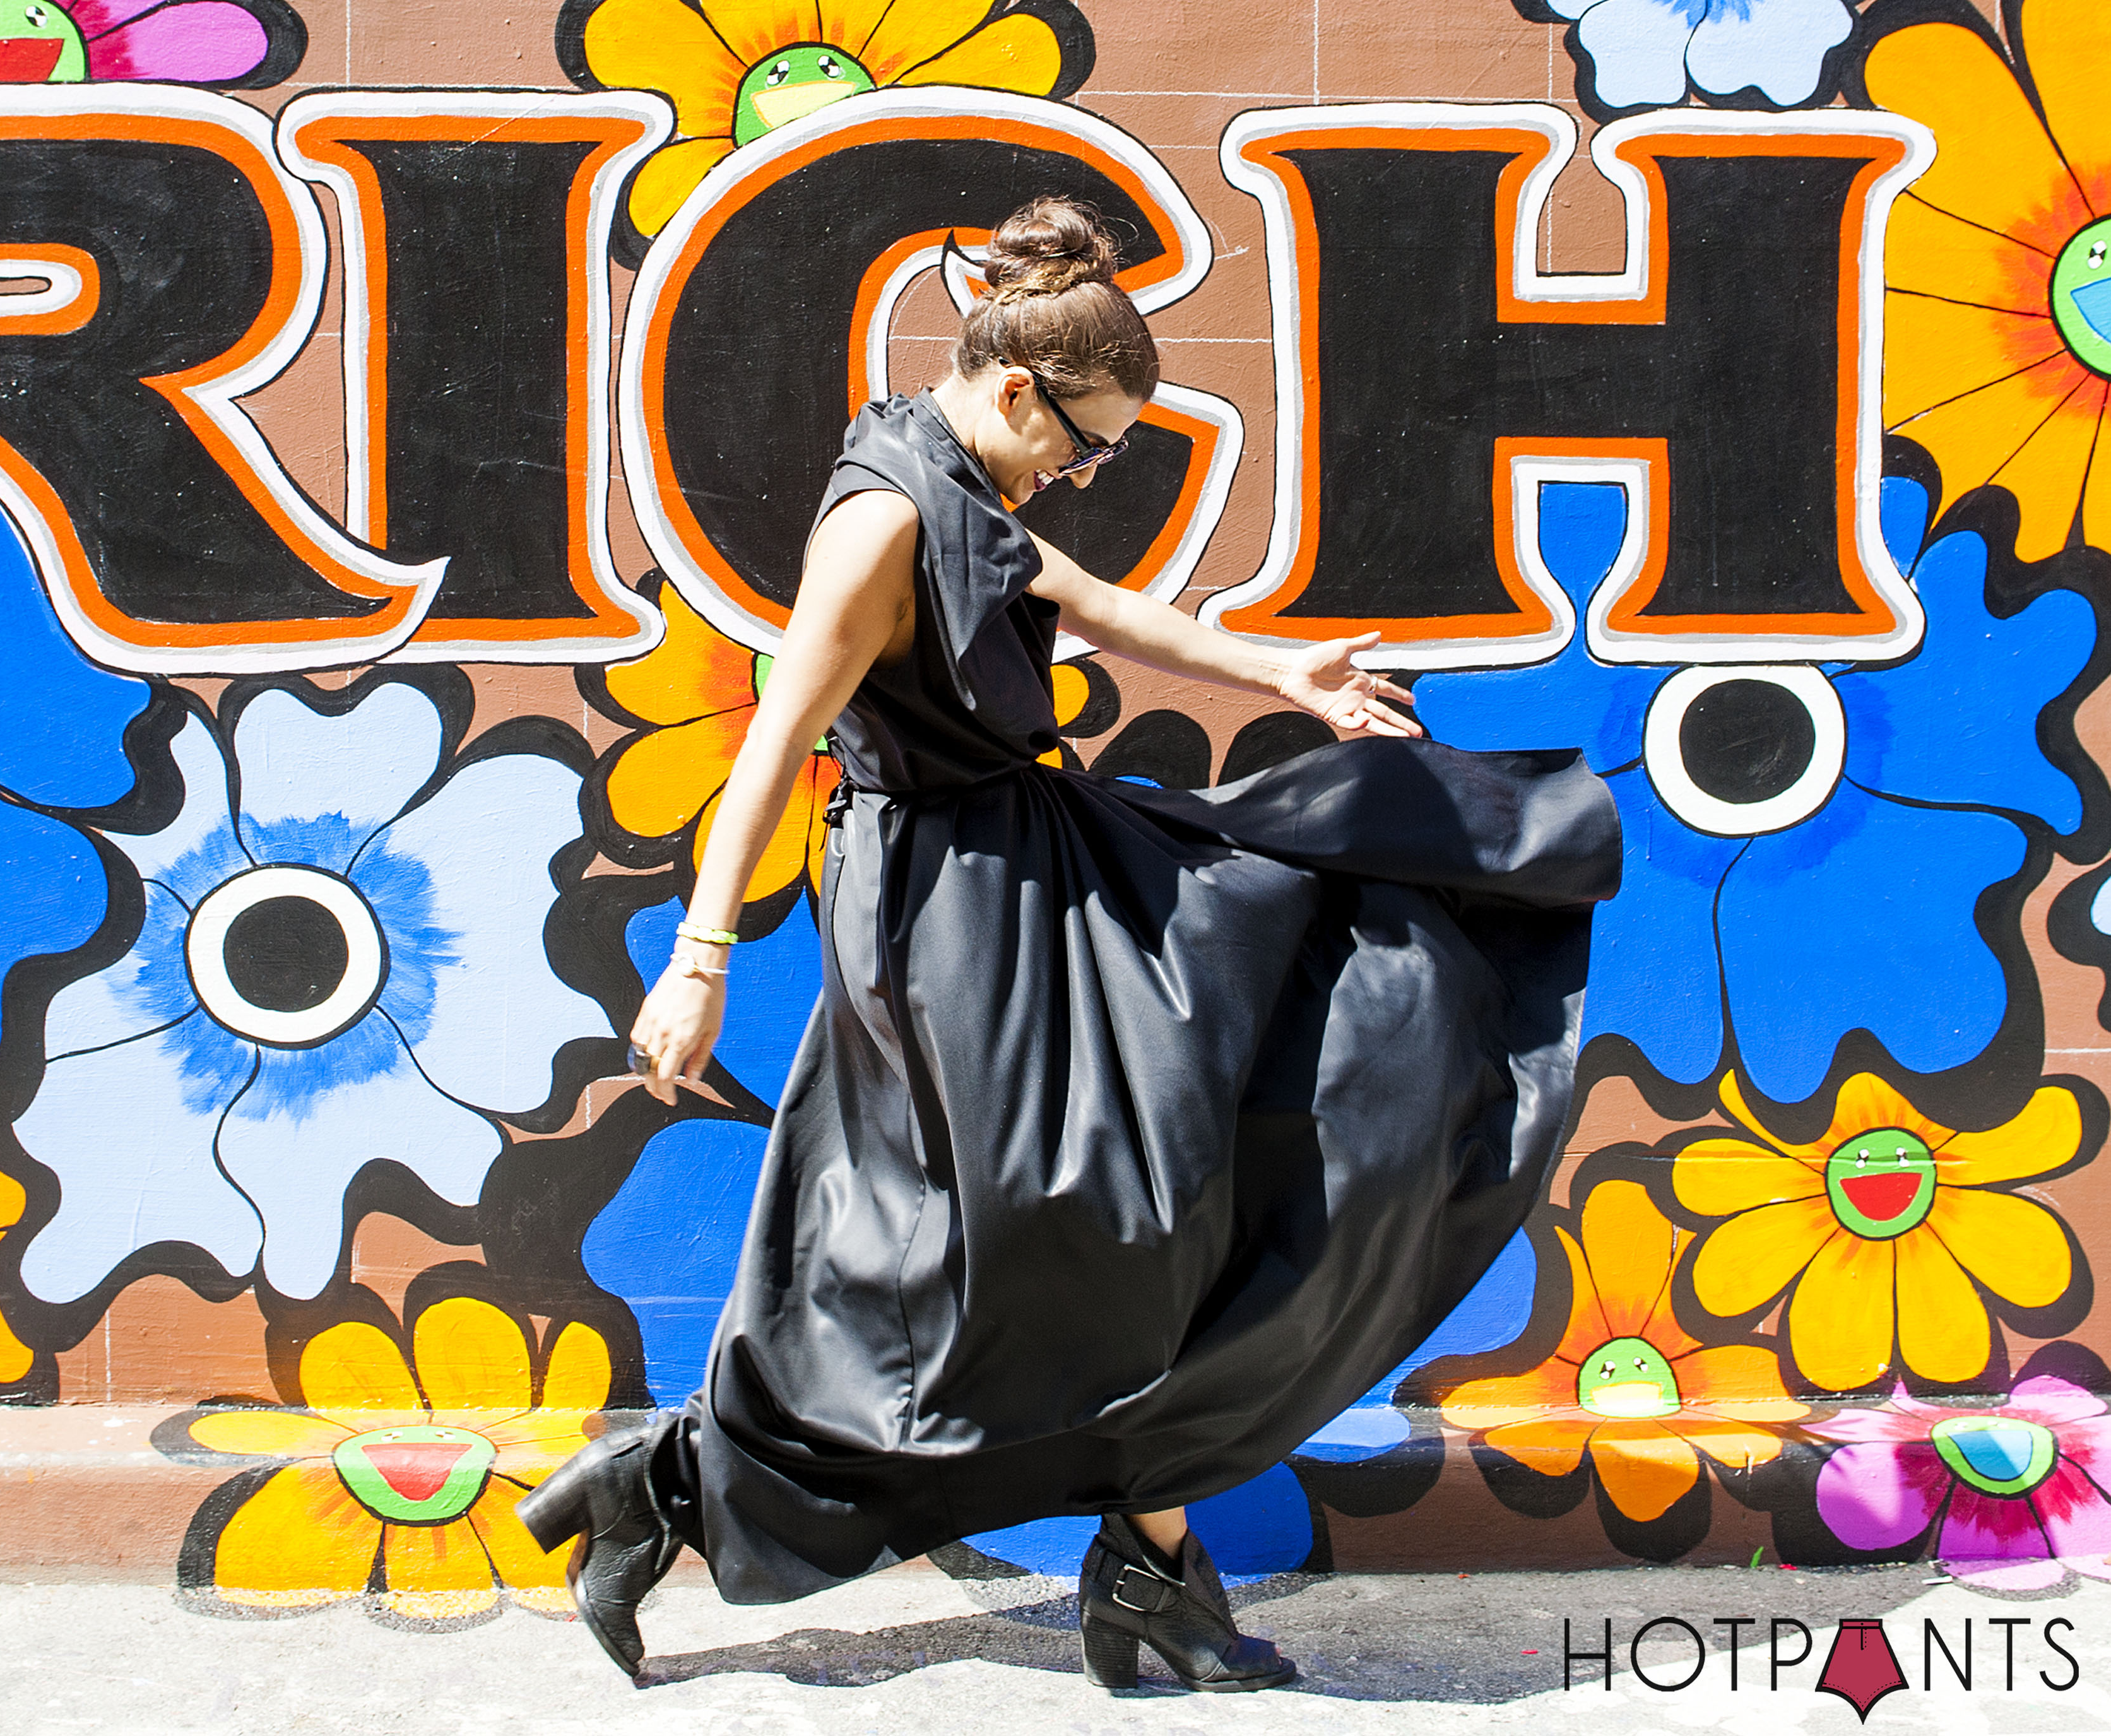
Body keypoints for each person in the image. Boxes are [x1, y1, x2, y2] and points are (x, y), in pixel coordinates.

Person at [521, 196, 1620, 1692]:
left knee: (1158, 1194)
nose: (1085, 472)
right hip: (940, 911)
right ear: (1022, 388)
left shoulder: (955, 461)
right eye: (1087, 442)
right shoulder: (885, 515)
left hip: (1027, 864)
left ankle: (1148, 1571)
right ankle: (683, 1488)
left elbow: (1088, 600)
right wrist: (701, 952)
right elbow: (779, 735)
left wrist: (1279, 666)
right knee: (1015, 1237)